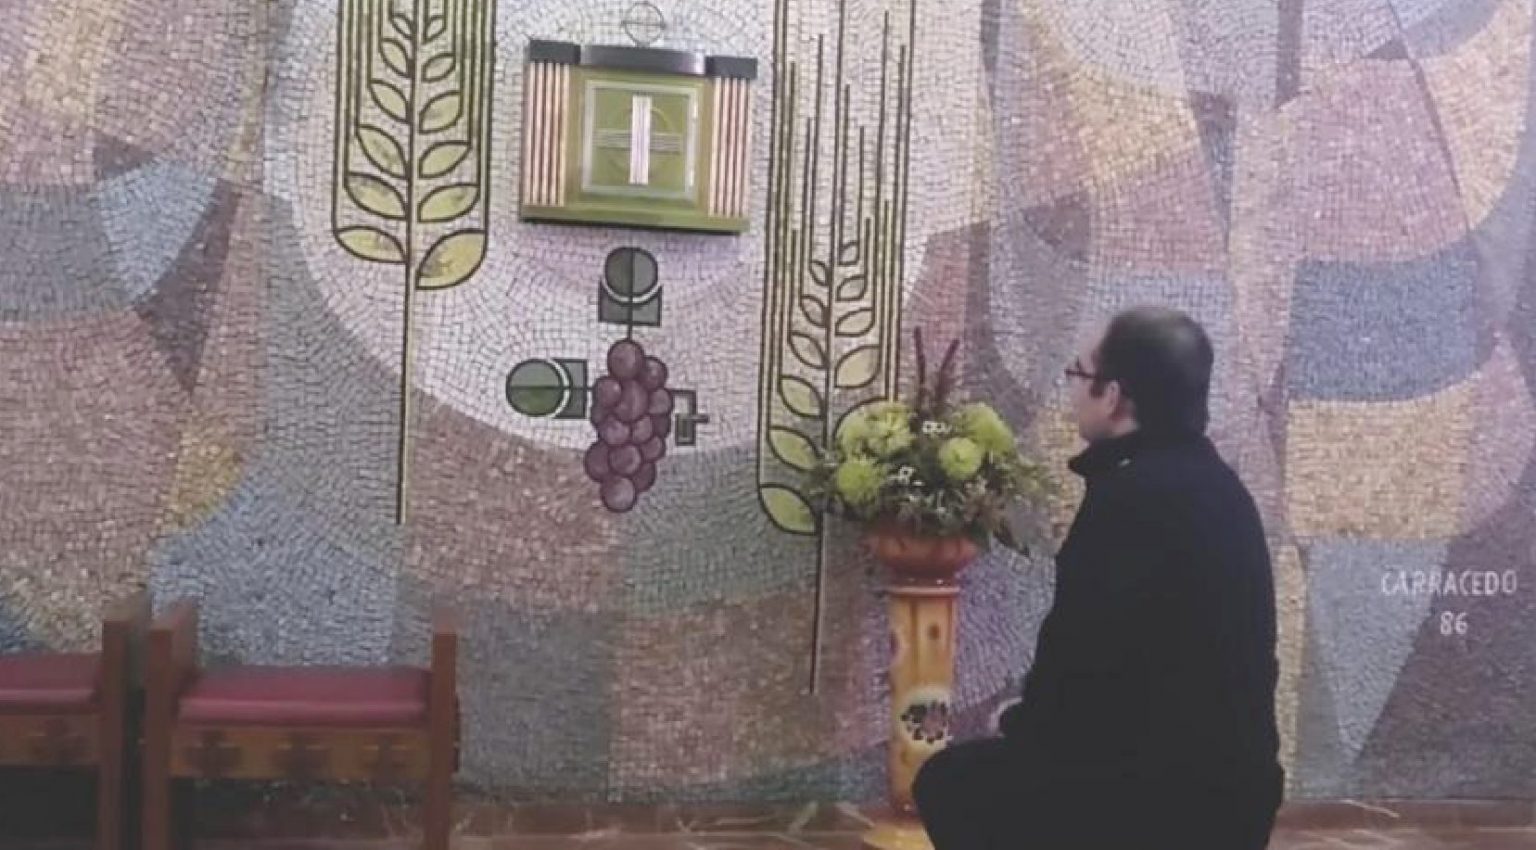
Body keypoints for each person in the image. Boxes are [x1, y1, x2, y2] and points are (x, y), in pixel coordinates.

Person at [913, 306, 1283, 849]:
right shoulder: (1220, 486)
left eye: (1077, 373)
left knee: (948, 782)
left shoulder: (1132, 497)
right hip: (1236, 797)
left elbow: (1080, 663)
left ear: (1112, 396)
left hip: (1167, 806)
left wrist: (1021, 726)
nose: (1070, 389)